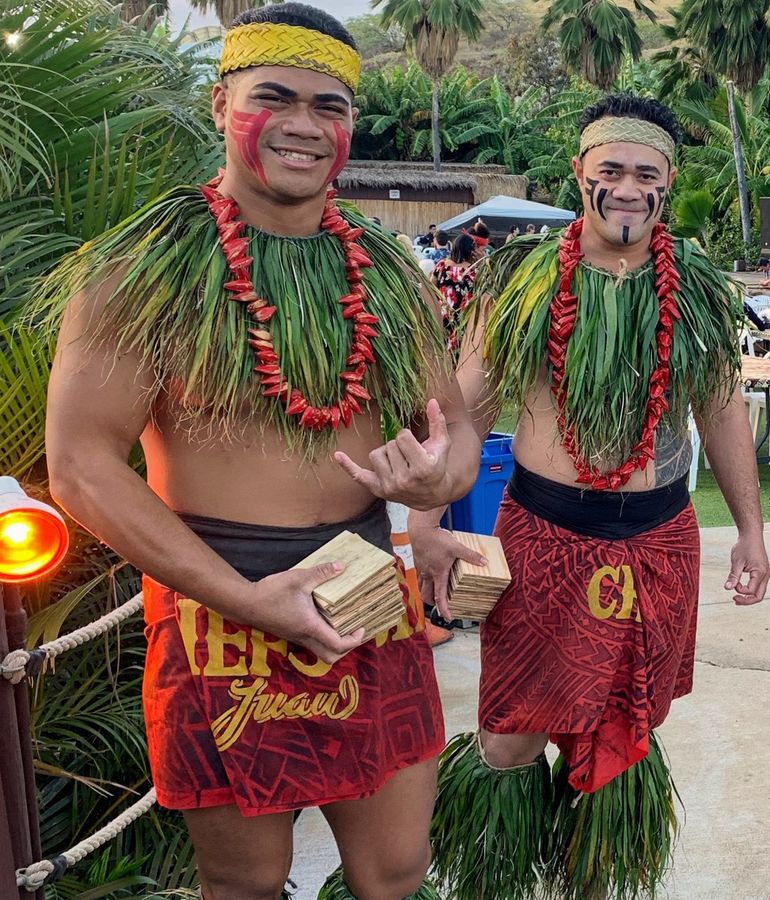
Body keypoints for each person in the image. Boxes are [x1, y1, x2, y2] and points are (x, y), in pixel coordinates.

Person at [36, 6, 483, 898]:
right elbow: (81, 464)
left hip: (367, 593)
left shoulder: (389, 273)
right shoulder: (144, 267)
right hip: (215, 606)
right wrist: (244, 597)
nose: (304, 125)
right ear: (220, 105)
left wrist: (444, 474)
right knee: (245, 882)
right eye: (273, 97)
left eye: (329, 106)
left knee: (396, 870)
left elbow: (456, 427)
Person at [411, 92, 770, 900]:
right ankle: (499, 885)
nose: (628, 188)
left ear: (669, 180)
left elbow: (722, 412)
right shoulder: (524, 283)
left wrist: (751, 530)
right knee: (511, 736)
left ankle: (593, 885)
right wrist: (424, 523)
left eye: (647, 172)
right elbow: (465, 409)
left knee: (623, 734)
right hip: (544, 537)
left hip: (659, 539)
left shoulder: (699, 291)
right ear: (580, 172)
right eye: (612, 169)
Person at [432, 232, 481, 345]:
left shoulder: (442, 266)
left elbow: (431, 288)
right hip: (465, 319)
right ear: (471, 251)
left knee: (443, 350)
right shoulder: (475, 271)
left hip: (444, 316)